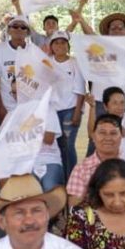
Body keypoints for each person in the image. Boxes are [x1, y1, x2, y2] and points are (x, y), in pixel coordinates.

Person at [45, 31, 86, 182]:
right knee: (58, 144)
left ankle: (71, 178)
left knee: (68, 145)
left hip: (70, 109)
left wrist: (77, 112)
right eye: (56, 42)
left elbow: (81, 90)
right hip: (52, 111)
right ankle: (60, 178)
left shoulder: (75, 62)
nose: (60, 45)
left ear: (68, 46)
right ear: (51, 46)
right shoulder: (46, 62)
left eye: (63, 42)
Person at [67, 114, 124, 208]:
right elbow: (74, 208)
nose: (108, 138)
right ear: (93, 136)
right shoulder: (81, 169)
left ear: (122, 136)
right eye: (102, 133)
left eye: (113, 133)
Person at [0, 15, 36, 125]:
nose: (19, 29)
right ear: (9, 30)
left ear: (27, 32)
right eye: (15, 26)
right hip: (5, 110)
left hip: (27, 111)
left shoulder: (34, 51)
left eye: (23, 27)